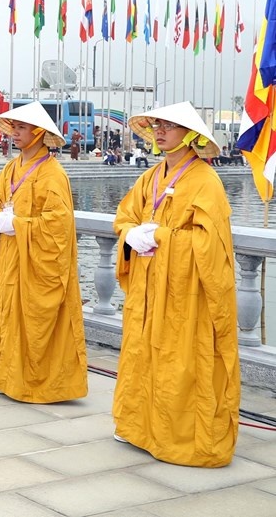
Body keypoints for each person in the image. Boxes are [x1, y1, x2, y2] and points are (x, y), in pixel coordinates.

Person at [112, 101, 239, 467]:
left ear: (190, 135)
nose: (160, 132)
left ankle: (178, 437)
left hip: (186, 293)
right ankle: (139, 426)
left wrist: (161, 237)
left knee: (180, 362)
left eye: (169, 126)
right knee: (143, 354)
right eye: (156, 125)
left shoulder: (206, 182)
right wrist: (130, 234)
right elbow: (125, 217)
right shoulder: (150, 177)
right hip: (148, 288)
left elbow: (209, 244)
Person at [0, 101, 88, 402]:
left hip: (35, 261)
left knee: (35, 320)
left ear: (39, 132)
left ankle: (41, 383)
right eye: (13, 127)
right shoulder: (10, 169)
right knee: (10, 316)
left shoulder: (53, 174)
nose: (14, 133)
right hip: (10, 257)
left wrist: (19, 224)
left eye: (21, 128)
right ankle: (9, 375)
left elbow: (59, 224)